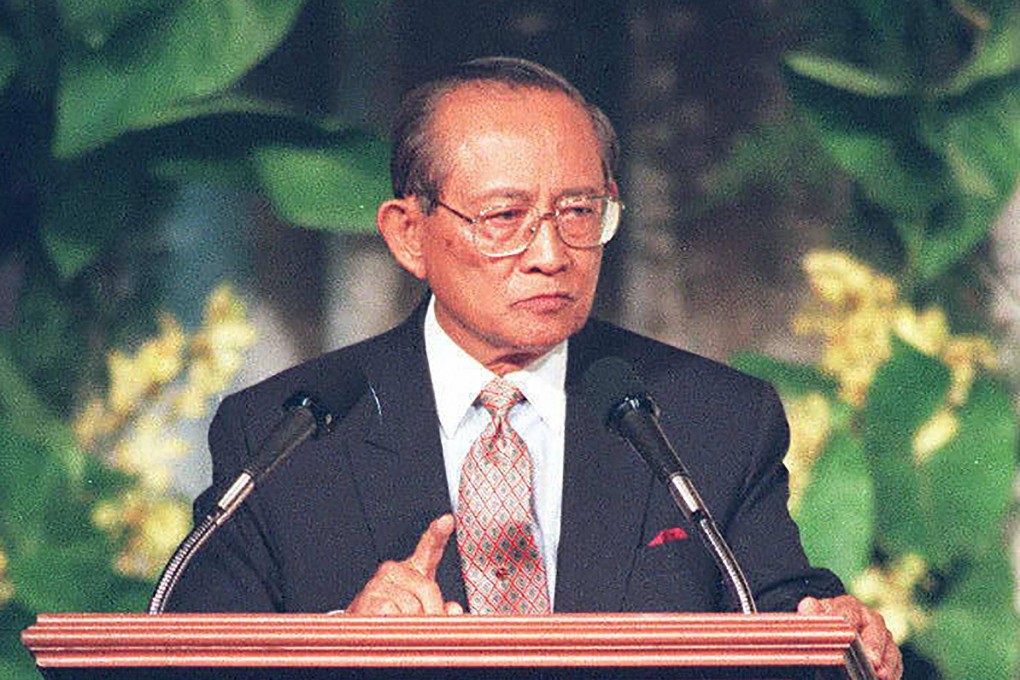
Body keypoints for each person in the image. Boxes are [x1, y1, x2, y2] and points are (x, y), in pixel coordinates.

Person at [167, 57, 902, 680]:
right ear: (408, 235)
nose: (551, 254)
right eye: (503, 217)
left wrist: (838, 641)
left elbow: (785, 617)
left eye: (578, 212)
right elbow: (186, 659)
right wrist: (341, 645)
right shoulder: (289, 434)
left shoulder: (710, 419)